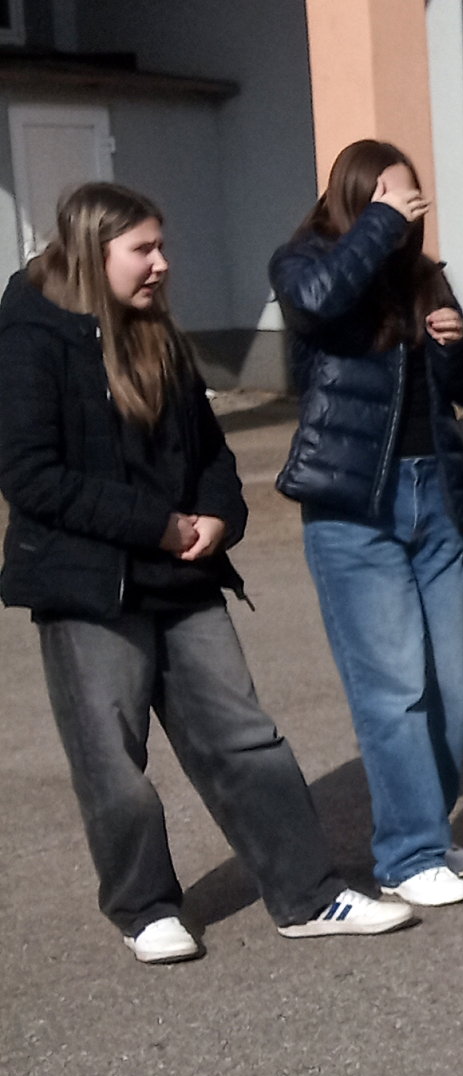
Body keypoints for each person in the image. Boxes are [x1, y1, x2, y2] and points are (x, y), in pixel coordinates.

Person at [0, 183, 412, 960]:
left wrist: (220, 514)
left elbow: (210, 449)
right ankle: (145, 908)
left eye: (162, 246)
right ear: (93, 253)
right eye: (143, 250)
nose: (162, 264)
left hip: (182, 575)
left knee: (246, 740)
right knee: (112, 760)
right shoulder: (29, 333)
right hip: (89, 586)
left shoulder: (155, 329)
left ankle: (308, 895)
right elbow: (30, 476)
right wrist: (153, 524)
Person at [271, 139, 463, 909]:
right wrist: (380, 227)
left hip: (436, 495)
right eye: (388, 195)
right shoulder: (304, 263)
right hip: (354, 505)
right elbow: (319, 304)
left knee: (447, 691)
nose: (404, 207)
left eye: (410, 196)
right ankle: (406, 853)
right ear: (354, 200)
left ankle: (427, 826)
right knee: (393, 689)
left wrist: (455, 346)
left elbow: (459, 392)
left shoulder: (424, 277)